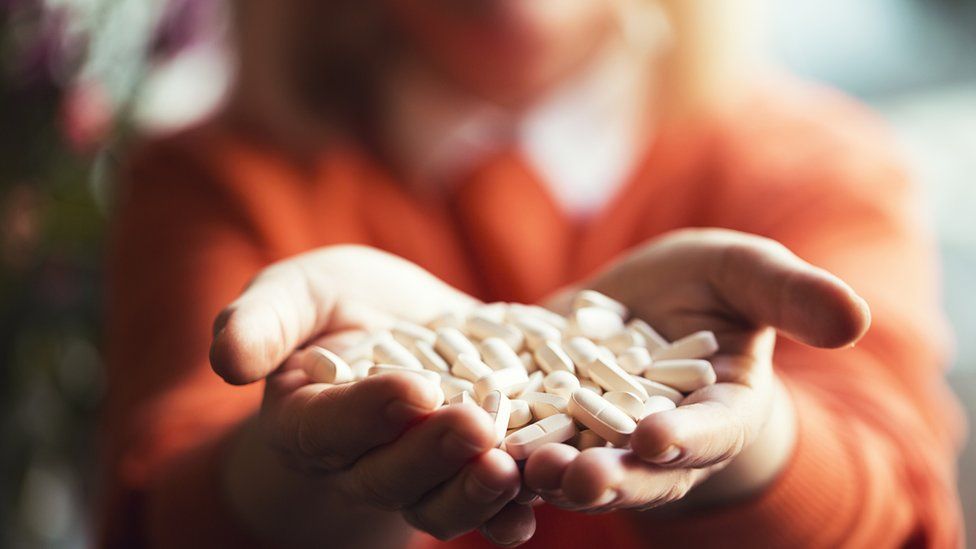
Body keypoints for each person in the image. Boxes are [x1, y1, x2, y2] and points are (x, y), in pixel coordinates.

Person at [99, 0, 966, 547]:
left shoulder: (823, 163)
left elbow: (902, 512)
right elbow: (157, 513)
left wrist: (755, 442)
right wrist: (299, 468)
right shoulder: (213, 178)